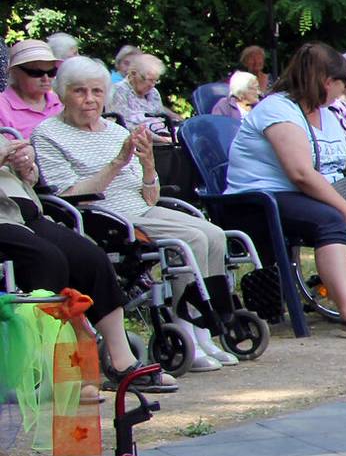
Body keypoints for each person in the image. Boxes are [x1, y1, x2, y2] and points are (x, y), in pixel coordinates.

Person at [32, 58, 240, 371]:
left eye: (97, 91)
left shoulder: (115, 131)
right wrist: (117, 163)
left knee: (213, 234)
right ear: (62, 94)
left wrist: (148, 165)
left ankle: (204, 329)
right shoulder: (49, 134)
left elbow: (150, 196)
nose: (90, 99)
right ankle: (186, 332)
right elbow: (67, 195)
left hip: (141, 209)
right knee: (192, 239)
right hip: (101, 215)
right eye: (80, 92)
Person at [225, 42, 346, 336]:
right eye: (342, 84)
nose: (344, 92)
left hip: (301, 194)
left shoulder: (324, 114)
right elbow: (301, 174)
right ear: (326, 81)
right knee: (332, 221)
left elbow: (338, 154)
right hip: (261, 199)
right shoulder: (278, 110)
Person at [0, 127, 173, 393]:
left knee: (90, 257)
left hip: (25, 212)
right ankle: (50, 369)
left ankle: (122, 361)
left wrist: (26, 167)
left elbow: (24, 180)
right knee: (47, 259)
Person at [107, 51, 177, 142]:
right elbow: (125, 127)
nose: (152, 85)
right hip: (138, 142)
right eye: (149, 80)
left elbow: (161, 120)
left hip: (164, 138)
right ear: (133, 74)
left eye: (155, 81)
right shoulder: (119, 91)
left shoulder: (154, 93)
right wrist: (163, 140)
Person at [2, 41, 63, 142]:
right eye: (36, 73)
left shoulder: (60, 102)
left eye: (51, 72)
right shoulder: (2, 107)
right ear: (15, 72)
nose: (46, 78)